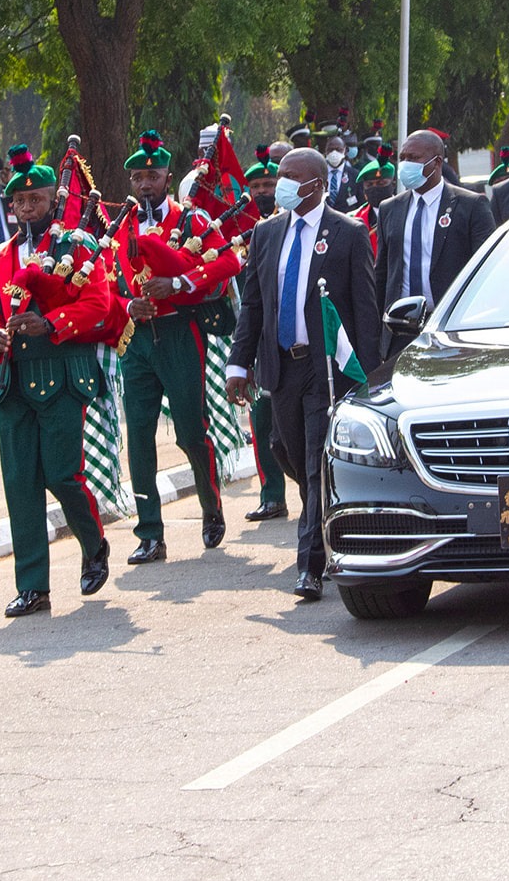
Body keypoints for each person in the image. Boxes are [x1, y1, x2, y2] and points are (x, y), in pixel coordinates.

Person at [0, 148, 125, 617]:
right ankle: (33, 586)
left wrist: (53, 322)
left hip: (61, 376)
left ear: (52, 202)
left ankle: (93, 543)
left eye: (36, 200)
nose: (27, 209)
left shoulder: (77, 246)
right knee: (20, 484)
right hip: (13, 380)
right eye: (19, 202)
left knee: (62, 475)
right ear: (11, 207)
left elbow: (99, 304)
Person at [227, 147, 378, 601]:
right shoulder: (266, 233)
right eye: (280, 176)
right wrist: (239, 363)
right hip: (279, 366)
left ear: (316, 184)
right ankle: (326, 510)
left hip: (325, 369)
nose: (282, 184)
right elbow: (253, 304)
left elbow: (366, 311)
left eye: (291, 177)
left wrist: (369, 377)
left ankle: (310, 564)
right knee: (283, 449)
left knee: (314, 459)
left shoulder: (348, 233)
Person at [109, 132, 242, 563]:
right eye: (138, 177)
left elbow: (228, 260)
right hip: (137, 342)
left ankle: (211, 507)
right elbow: (104, 286)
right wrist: (130, 303)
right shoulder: (120, 227)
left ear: (168, 176)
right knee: (140, 437)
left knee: (190, 429)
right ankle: (149, 532)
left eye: (153, 175)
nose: (145, 184)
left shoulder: (192, 220)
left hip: (181, 334)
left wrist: (180, 282)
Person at [374, 130, 495, 359]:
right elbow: (382, 273)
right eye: (403, 158)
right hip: (401, 329)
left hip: (451, 327)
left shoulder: (470, 206)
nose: (406, 165)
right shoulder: (390, 209)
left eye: (414, 158)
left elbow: (485, 273)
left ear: (437, 162)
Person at [240, 154, 289, 523]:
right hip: (259, 336)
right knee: (262, 421)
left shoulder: (291, 225)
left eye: (268, 187)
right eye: (255, 187)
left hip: (297, 338)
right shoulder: (242, 231)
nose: (262, 193)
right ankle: (272, 495)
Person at [320, 128, 361, 211]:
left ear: (345, 151)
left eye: (338, 150)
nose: (334, 153)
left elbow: (361, 204)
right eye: (330, 150)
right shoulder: (319, 175)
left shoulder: (355, 175)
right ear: (325, 151)